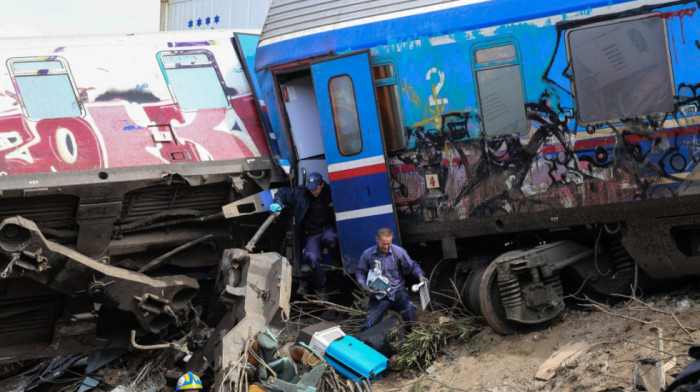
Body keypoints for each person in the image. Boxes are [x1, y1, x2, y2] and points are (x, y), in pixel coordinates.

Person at [269, 172, 337, 297]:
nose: (313, 192)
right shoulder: (301, 193)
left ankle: (336, 262)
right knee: (311, 256)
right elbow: (282, 192)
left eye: (316, 189)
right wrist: (278, 203)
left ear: (322, 185)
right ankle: (323, 286)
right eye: (310, 189)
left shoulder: (330, 192)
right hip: (311, 234)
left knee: (332, 239)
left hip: (327, 230)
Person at [356, 227, 428, 333]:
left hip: (398, 292)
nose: (386, 247)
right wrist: (364, 286)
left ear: (392, 239)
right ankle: (364, 344)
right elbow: (360, 272)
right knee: (368, 325)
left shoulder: (398, 252)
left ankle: (412, 336)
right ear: (377, 239)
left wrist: (420, 276)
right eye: (383, 244)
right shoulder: (367, 254)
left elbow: (412, 266)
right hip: (379, 295)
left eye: (388, 244)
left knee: (410, 311)